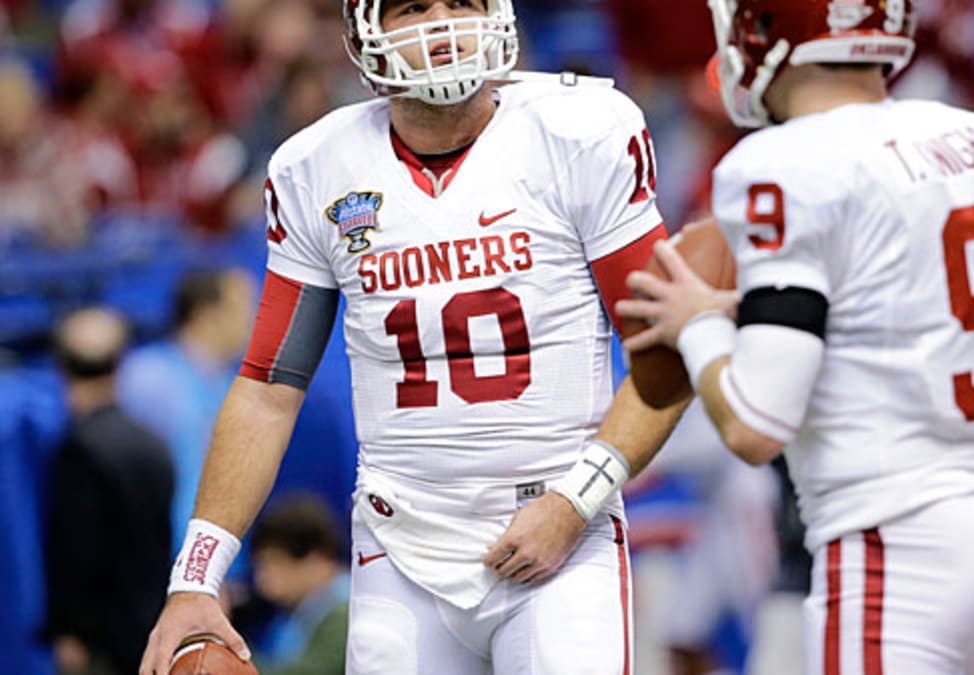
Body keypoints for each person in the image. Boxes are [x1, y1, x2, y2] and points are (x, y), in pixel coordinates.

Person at [139, 1, 686, 674]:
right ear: (363, 31)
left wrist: (577, 500)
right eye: (414, 7)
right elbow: (268, 387)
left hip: (560, 534)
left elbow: (665, 356)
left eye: (462, 3)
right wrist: (197, 574)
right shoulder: (317, 166)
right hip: (400, 546)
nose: (443, 24)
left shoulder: (580, 133)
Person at [618, 2, 974, 673]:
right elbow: (874, 307)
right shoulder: (970, 134)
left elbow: (757, 425)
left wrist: (696, 324)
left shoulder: (780, 162)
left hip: (891, 542)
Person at [43, 307, 174, 675]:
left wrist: (70, 630)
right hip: (150, 629)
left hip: (100, 642)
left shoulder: (79, 449)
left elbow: (77, 550)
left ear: (62, 367)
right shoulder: (153, 444)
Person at [119, 268, 254, 551]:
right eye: (242, 310)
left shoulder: (235, 385)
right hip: (160, 554)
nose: (252, 322)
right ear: (206, 314)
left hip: (221, 558)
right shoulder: (147, 377)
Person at [248, 495, 350, 675]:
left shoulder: (344, 613)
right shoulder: (293, 613)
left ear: (317, 558)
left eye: (275, 564)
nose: (262, 581)